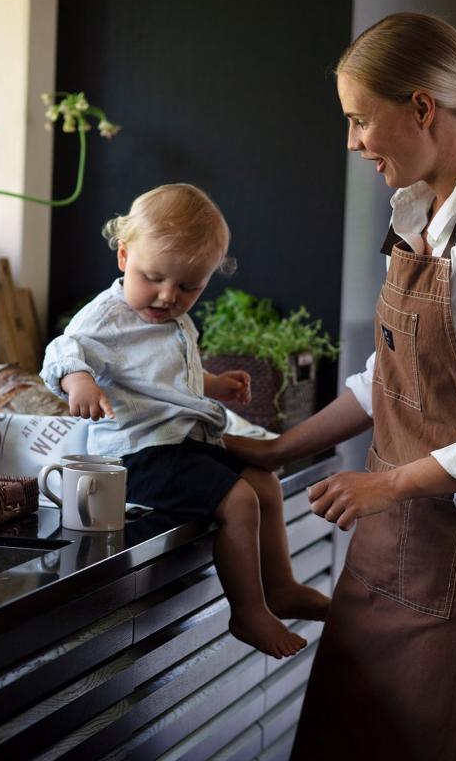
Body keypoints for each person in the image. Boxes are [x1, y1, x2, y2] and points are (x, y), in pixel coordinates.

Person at [224, 13, 456, 759]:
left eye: (360, 120)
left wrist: (386, 486)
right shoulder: (421, 210)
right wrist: (279, 450)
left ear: (421, 107)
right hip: (389, 556)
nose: (353, 142)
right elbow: (390, 375)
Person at [41, 183, 329, 659]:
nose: (167, 296)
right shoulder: (106, 318)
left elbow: (167, 378)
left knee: (263, 481)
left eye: (188, 287)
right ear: (124, 256)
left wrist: (213, 384)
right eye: (153, 277)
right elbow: (62, 351)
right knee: (239, 501)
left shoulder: (174, 320)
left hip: (179, 442)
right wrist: (79, 382)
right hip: (139, 453)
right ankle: (248, 612)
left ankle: (281, 587)